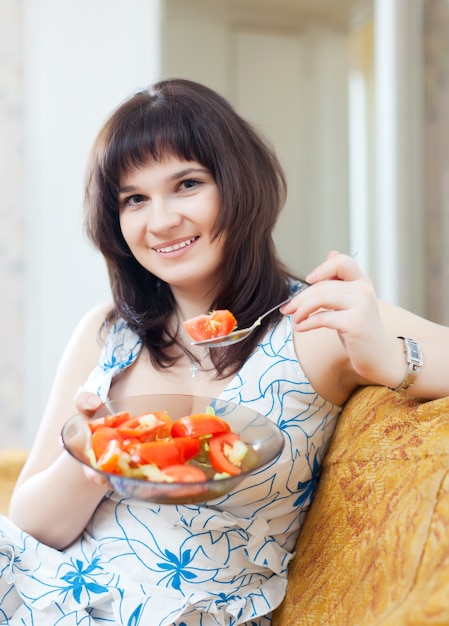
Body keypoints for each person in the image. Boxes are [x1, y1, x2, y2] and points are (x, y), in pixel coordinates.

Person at [1, 78, 449, 626]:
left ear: (238, 185)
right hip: (40, 592)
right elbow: (31, 523)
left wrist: (392, 359)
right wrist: (95, 464)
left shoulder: (313, 323)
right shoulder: (106, 331)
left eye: (186, 184)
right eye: (134, 199)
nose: (161, 220)